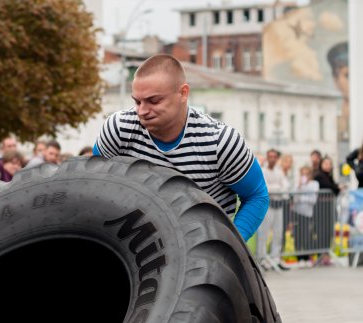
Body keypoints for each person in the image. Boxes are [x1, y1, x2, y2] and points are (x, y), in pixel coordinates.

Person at [93, 54, 268, 241]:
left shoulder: (220, 142)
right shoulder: (119, 129)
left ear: (183, 93)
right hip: (133, 246)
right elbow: (95, 184)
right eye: (137, 101)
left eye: (154, 101)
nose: (142, 111)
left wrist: (230, 244)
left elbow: (257, 197)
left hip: (200, 251)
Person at [257, 149, 290, 270]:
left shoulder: (279, 171)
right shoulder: (263, 170)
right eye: (270, 156)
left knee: (278, 233)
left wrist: (276, 189)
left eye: (274, 156)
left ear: (277, 158)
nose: (272, 159)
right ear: (267, 157)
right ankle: (262, 258)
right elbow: (266, 187)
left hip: (278, 205)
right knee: (264, 233)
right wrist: (278, 189)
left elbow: (286, 187)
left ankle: (276, 258)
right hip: (267, 206)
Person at [292, 166, 320, 267]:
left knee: (307, 235)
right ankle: (299, 259)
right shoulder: (298, 184)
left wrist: (302, 197)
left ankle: (307, 257)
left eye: (307, 174)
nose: (305, 176)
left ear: (310, 174)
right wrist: (299, 187)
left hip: (308, 214)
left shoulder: (314, 184)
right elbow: (295, 198)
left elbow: (313, 199)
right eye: (303, 174)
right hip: (297, 213)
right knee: (297, 236)